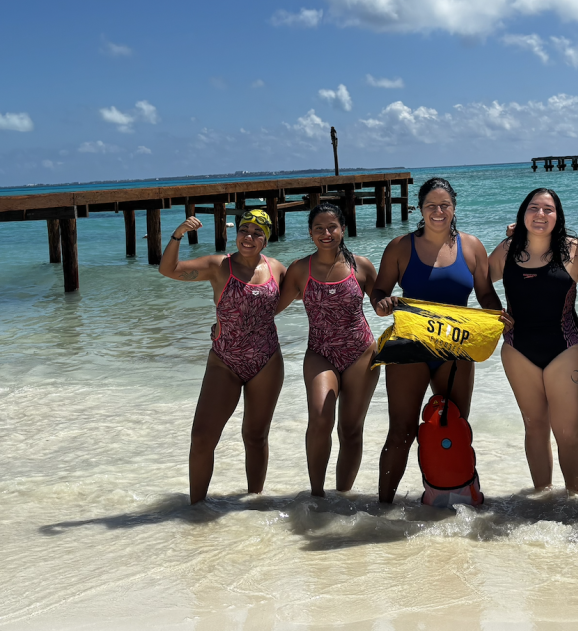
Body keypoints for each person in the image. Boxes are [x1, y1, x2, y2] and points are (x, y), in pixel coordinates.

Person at [371, 177, 508, 504]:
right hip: (410, 344)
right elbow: (379, 290)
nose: (438, 211)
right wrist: (382, 303)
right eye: (431, 205)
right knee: (401, 431)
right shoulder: (400, 247)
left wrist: (499, 316)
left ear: (454, 207)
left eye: (444, 205)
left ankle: (451, 503)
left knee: (453, 427)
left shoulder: (472, 247)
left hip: (456, 346)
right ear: (420, 208)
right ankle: (383, 509)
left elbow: (486, 294)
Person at [157, 209, 287, 504]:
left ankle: (254, 503)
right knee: (202, 437)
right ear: (236, 233)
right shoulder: (219, 266)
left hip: (266, 360)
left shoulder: (277, 269)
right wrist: (178, 234)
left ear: (265, 240)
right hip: (224, 360)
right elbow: (168, 269)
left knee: (255, 437)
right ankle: (196, 509)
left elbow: (300, 293)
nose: (249, 237)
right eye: (244, 230)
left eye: (257, 232)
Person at [489, 188, 578, 495]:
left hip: (565, 348)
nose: (540, 215)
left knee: (566, 430)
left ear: (558, 216)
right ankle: (543, 498)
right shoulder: (507, 249)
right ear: (523, 213)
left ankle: (574, 500)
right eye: (534, 208)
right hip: (517, 348)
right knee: (534, 427)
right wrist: (490, 312)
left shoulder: (572, 250)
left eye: (548, 210)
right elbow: (479, 278)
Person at [276, 203, 378, 496]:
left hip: (361, 352)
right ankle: (317, 496)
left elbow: (381, 306)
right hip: (320, 353)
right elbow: (270, 308)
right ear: (310, 233)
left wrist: (389, 305)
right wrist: (225, 323)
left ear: (343, 229)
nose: (326, 233)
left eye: (332, 226)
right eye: (318, 228)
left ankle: (342, 497)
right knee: (320, 420)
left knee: (351, 429)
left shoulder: (362, 266)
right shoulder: (299, 269)